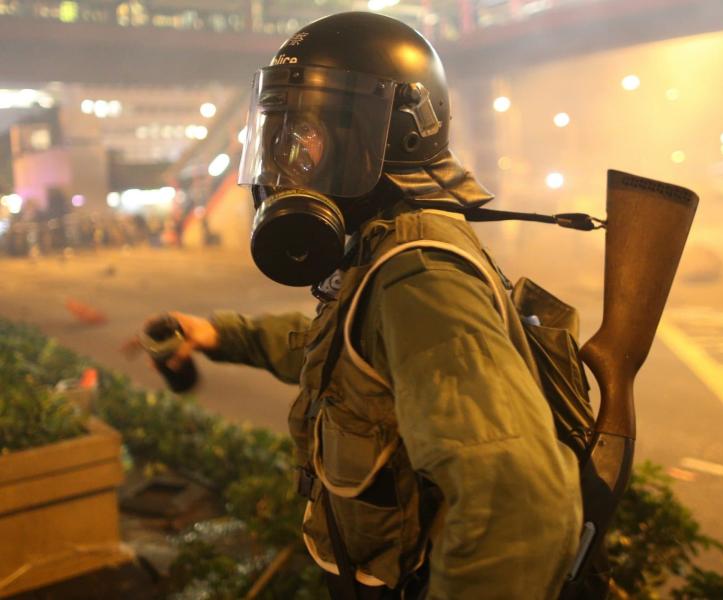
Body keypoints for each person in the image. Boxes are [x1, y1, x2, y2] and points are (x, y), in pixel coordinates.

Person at [160, 11, 582, 599]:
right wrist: (222, 334)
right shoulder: (382, 247)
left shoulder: (420, 275)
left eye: (309, 136)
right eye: (282, 136)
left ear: (395, 136)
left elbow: (518, 504)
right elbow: (352, 358)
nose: (288, 167)